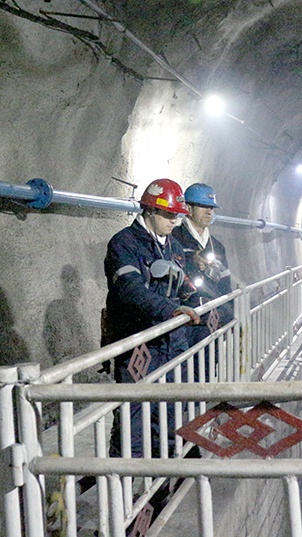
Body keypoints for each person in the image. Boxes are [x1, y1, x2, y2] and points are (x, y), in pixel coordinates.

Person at [103, 178, 200, 459]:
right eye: (169, 215)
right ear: (149, 211)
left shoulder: (173, 247)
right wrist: (171, 310)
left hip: (170, 341)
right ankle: (127, 480)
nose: (174, 221)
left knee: (169, 410)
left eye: (177, 216)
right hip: (139, 343)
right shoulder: (124, 243)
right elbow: (128, 289)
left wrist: (193, 301)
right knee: (135, 415)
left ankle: (162, 478)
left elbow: (184, 284)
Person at [171, 183, 233, 375]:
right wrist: (191, 261)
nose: (209, 211)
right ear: (188, 208)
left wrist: (229, 319)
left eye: (211, 207)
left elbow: (225, 286)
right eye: (204, 206)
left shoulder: (217, 247)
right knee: (182, 374)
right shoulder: (174, 239)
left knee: (205, 372)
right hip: (184, 321)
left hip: (209, 321)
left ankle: (201, 404)